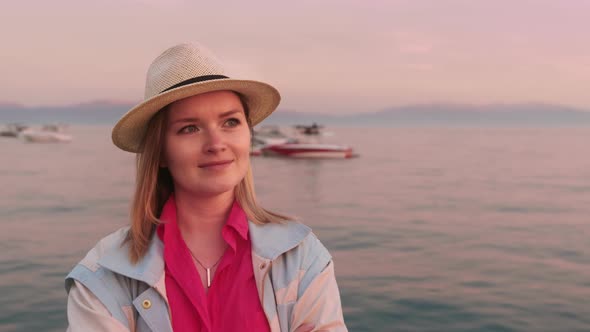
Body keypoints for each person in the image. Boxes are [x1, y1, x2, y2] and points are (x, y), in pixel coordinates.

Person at [65, 43, 347, 331]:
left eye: (230, 122)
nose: (216, 144)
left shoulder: (300, 256)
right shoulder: (105, 273)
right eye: (190, 128)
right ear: (160, 151)